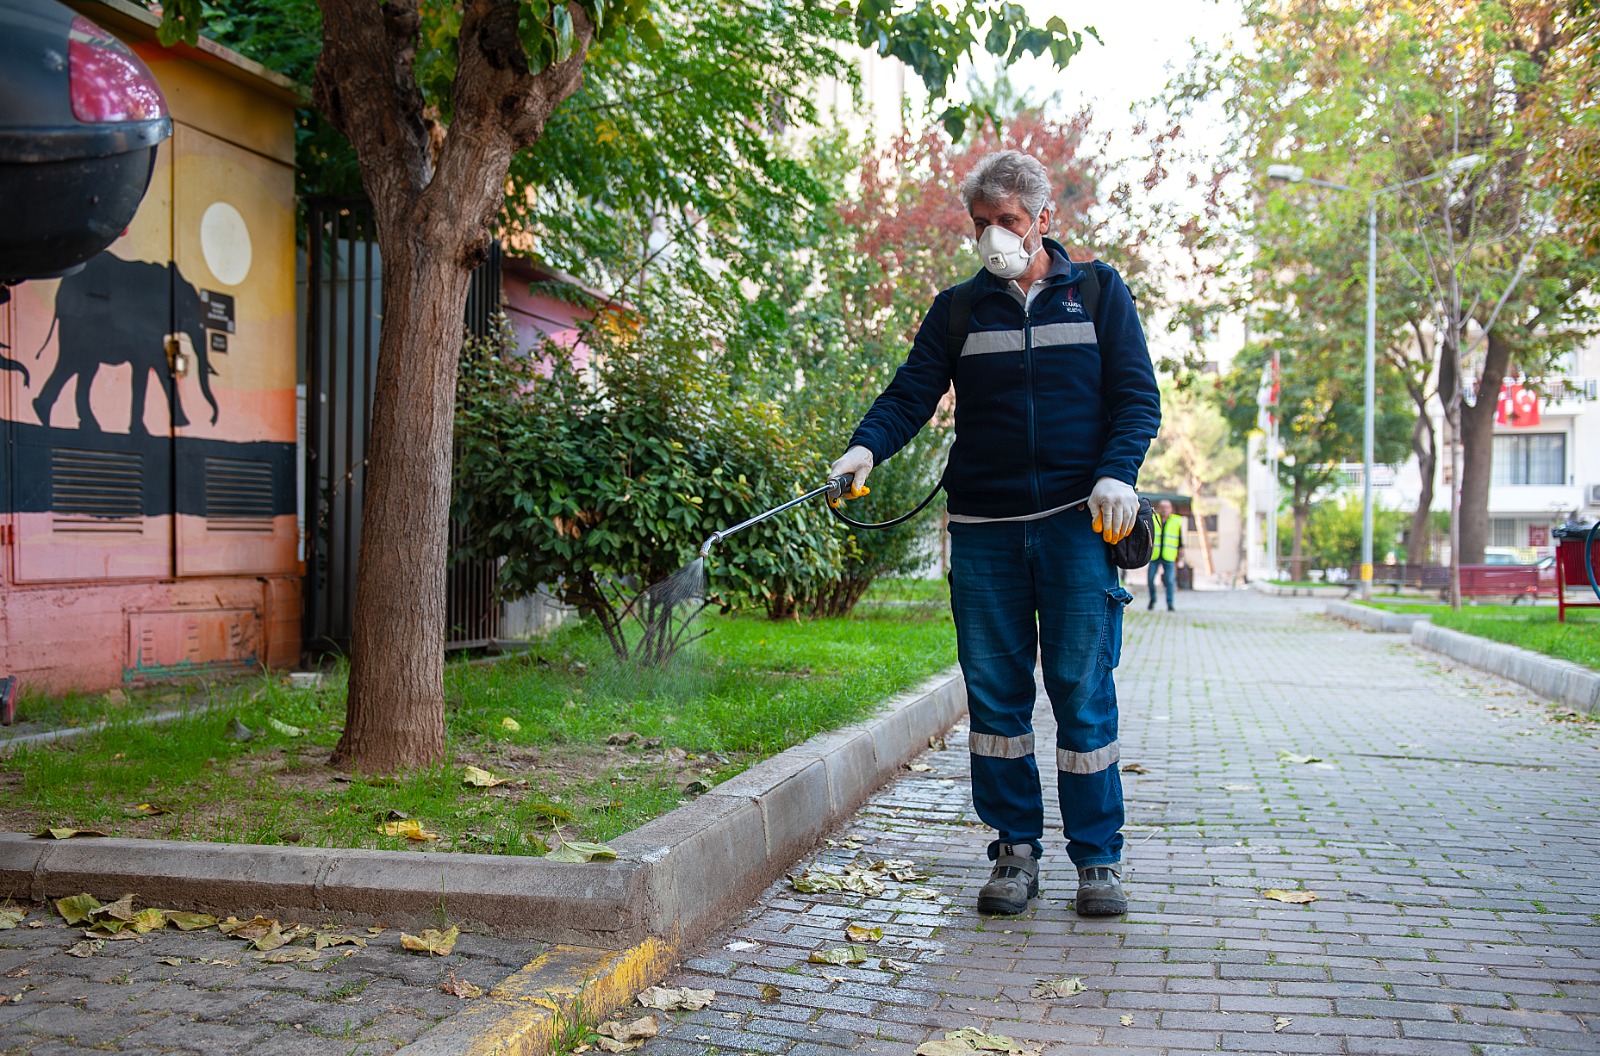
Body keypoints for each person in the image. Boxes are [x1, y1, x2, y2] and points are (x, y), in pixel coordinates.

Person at [829, 150, 1160, 917]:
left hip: (1079, 529)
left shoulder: (1100, 293)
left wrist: (1118, 472)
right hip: (983, 532)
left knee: (1081, 692)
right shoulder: (957, 309)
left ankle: (1098, 860)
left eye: (1007, 222)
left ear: (1044, 220)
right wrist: (864, 446)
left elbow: (1137, 398)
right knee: (997, 703)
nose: (993, 238)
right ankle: (1014, 853)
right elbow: (911, 391)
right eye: (980, 224)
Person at [1147, 499, 1183, 611]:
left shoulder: (1176, 521)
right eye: (1162, 507)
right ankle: (1153, 599)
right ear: (1158, 508)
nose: (1164, 509)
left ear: (1171, 509)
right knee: (1150, 579)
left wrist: (1180, 552)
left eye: (1166, 507)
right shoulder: (1153, 519)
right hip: (1154, 555)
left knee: (1170, 580)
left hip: (1169, 555)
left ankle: (1170, 603)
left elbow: (1180, 538)